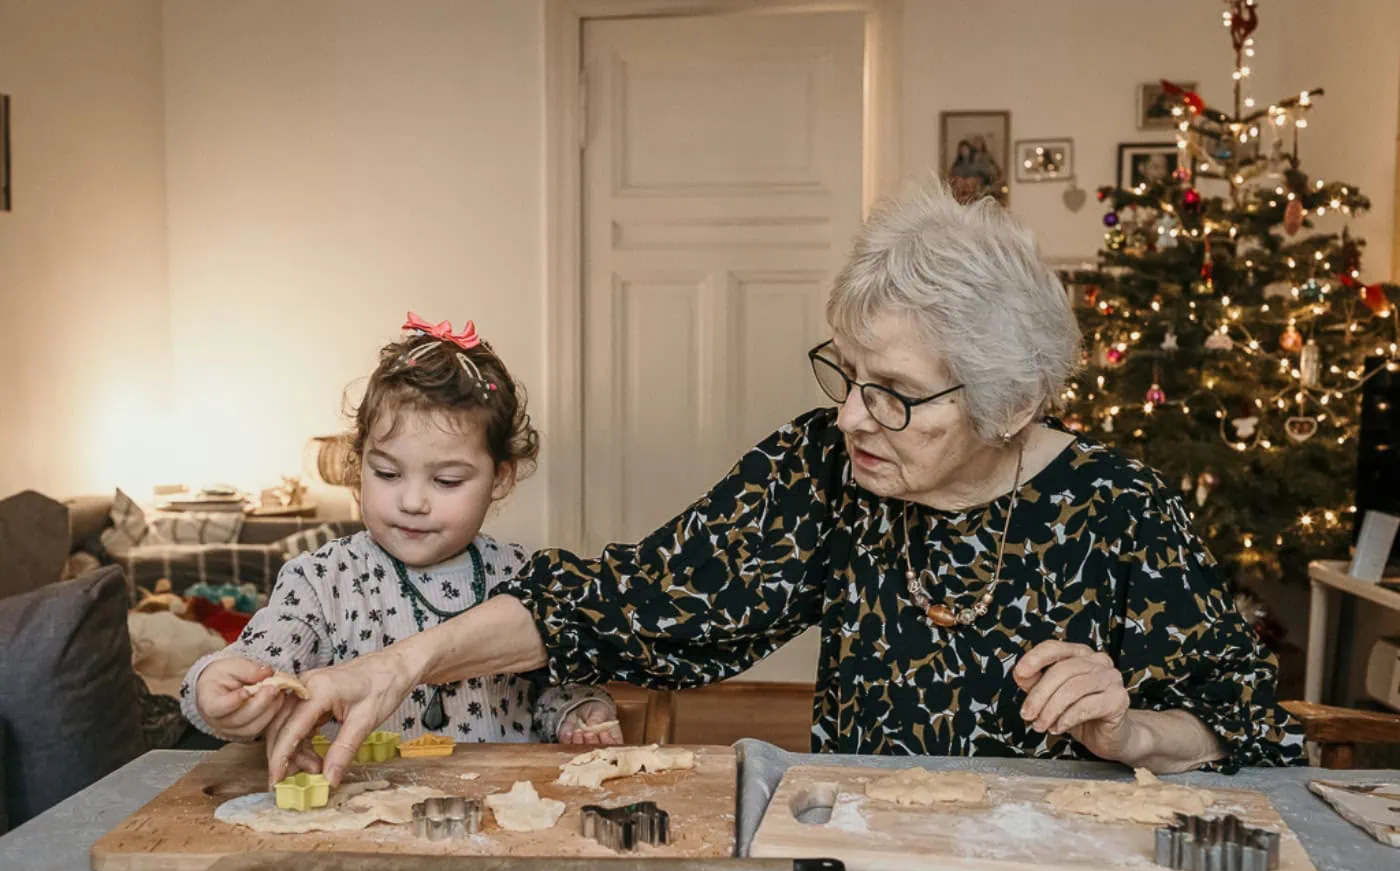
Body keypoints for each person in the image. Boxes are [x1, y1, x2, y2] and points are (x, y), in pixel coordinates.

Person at [269, 181, 1305, 787]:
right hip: (855, 853)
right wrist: (403, 662)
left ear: (1012, 402)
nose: (851, 415)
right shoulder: (823, 468)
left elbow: (1239, 720)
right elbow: (628, 602)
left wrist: (1130, 733)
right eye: (847, 375)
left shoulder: (1118, 507)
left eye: (893, 393)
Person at [182, 314, 621, 774]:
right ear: (359, 462)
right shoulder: (320, 579)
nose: (412, 502)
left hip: (496, 814)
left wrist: (580, 711)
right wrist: (214, 685)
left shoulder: (522, 578)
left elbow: (554, 689)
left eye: (447, 481)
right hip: (360, 816)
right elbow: (263, 658)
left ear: (501, 477)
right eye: (387, 473)